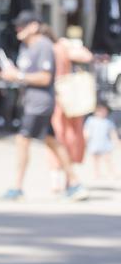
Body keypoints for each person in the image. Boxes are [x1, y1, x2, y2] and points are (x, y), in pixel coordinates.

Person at [0, 11, 87, 201]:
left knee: (23, 140)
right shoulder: (27, 48)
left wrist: (18, 76)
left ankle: (17, 187)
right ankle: (75, 182)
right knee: (52, 141)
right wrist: (13, 73)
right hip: (31, 101)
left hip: (39, 103)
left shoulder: (44, 46)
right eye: (17, 26)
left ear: (34, 26)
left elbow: (45, 78)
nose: (18, 29)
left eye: (22, 25)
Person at [42, 26, 92, 191]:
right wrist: (70, 45)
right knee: (67, 137)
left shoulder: (48, 49)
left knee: (54, 138)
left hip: (55, 98)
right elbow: (86, 56)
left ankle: (57, 178)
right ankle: (67, 178)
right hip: (68, 98)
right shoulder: (62, 47)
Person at [84, 103, 118, 179]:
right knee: (95, 160)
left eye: (104, 111)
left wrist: (116, 141)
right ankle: (97, 173)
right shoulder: (91, 120)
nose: (102, 113)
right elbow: (87, 132)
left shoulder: (108, 121)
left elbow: (112, 132)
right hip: (94, 143)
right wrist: (85, 141)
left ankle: (112, 172)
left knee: (108, 159)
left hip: (105, 143)